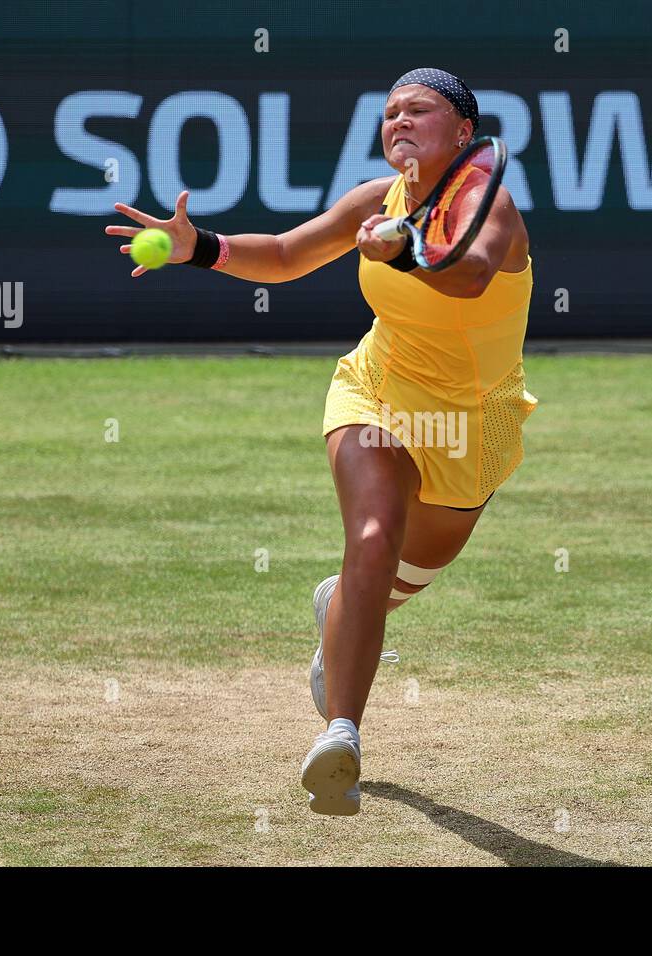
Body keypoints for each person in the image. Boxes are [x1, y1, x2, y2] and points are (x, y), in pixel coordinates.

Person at [105, 67, 537, 816]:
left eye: (419, 110)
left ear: (465, 135)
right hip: (376, 391)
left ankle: (340, 613)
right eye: (389, 112)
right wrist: (198, 248)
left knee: (395, 584)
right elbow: (281, 255)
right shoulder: (376, 200)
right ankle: (342, 736)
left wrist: (403, 252)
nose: (398, 120)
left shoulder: (491, 204)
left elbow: (468, 277)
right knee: (373, 536)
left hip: (472, 429)